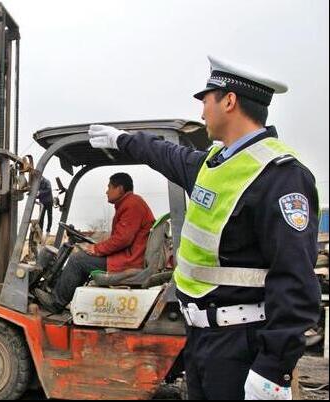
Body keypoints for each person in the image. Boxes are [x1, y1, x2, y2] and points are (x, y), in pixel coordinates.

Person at [88, 56, 320, 400]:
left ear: (229, 101)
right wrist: (123, 140)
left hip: (241, 344)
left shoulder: (281, 176)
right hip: (200, 339)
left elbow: (296, 280)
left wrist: (273, 369)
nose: (201, 112)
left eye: (206, 100)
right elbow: (164, 154)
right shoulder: (214, 164)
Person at [35, 173, 155, 314]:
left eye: (109, 187)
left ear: (120, 189)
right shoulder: (131, 203)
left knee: (77, 260)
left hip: (130, 260)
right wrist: (93, 243)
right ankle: (62, 292)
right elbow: (121, 237)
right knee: (84, 257)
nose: (106, 191)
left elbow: (123, 239)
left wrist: (97, 249)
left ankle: (56, 302)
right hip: (129, 256)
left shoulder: (132, 204)